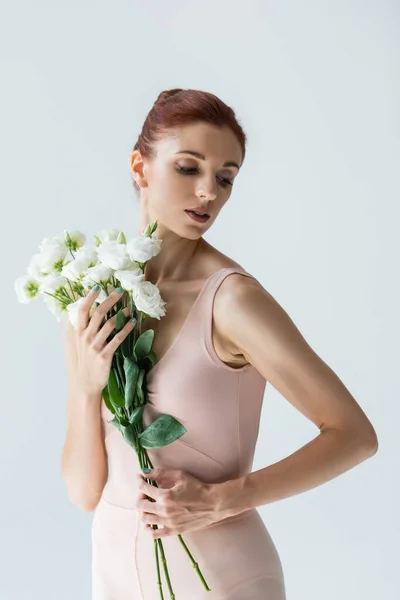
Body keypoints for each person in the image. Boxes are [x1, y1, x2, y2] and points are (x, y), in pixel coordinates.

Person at [61, 88, 378, 599]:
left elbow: (354, 435)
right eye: (189, 168)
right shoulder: (95, 295)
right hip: (115, 572)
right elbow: (83, 492)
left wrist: (221, 500)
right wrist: (86, 386)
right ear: (140, 167)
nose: (209, 191)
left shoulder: (232, 301)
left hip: (220, 577)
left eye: (225, 177)